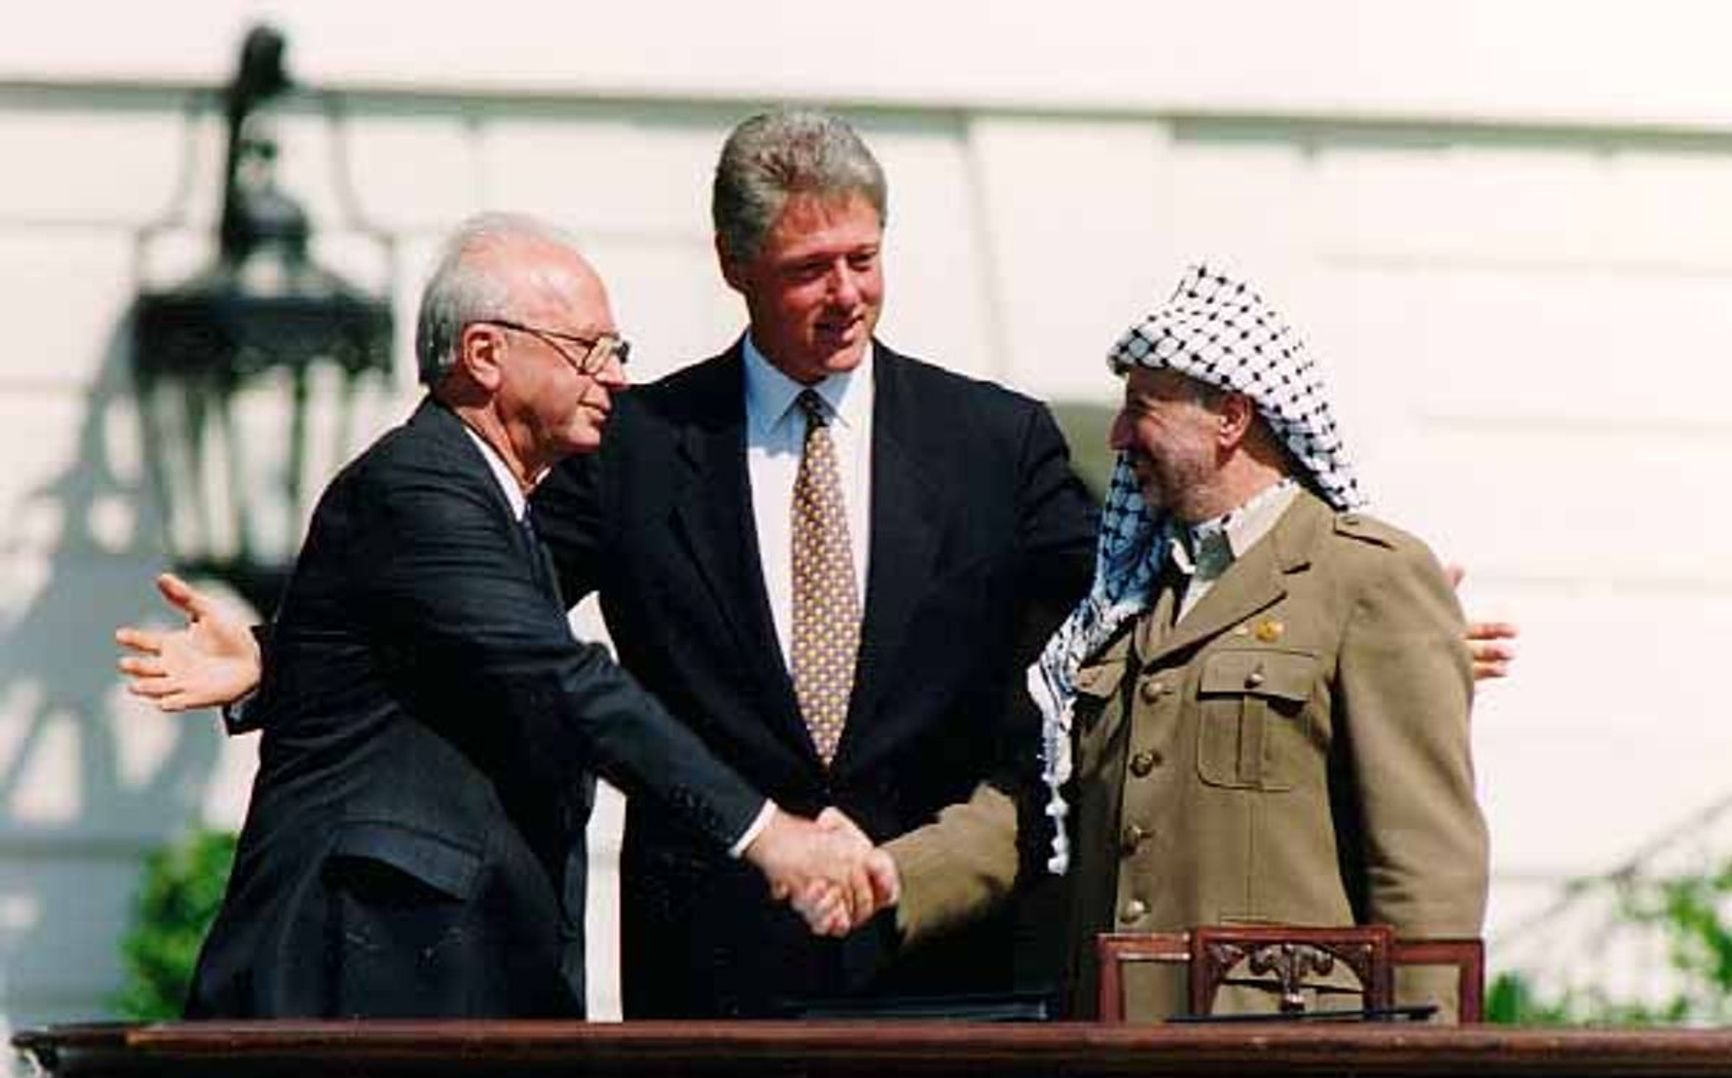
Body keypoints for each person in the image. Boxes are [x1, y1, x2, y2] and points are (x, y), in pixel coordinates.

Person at [123, 113, 1515, 1018]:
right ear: (738, 267)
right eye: (808, 269)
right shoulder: (640, 441)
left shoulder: (997, 439)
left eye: (863, 258)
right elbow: (487, 618)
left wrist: (1353, 605)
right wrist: (287, 647)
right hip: (710, 981)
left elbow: (1137, 593)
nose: (844, 292)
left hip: (946, 966)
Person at [131, 213, 885, 1019]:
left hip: (456, 986)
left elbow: (427, 647)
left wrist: (273, 656)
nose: (617, 378)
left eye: (617, 352)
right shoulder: (420, 486)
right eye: (588, 350)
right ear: (486, 355)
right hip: (364, 988)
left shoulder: (499, 505)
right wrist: (768, 835)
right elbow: (558, 679)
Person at [888, 263, 1490, 1021]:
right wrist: (885, 881)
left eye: (1141, 408)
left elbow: (1426, 868)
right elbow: (1043, 806)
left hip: (1286, 1071)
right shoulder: (1123, 601)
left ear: (1231, 418)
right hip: (1109, 1059)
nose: (1115, 436)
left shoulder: (1367, 577)